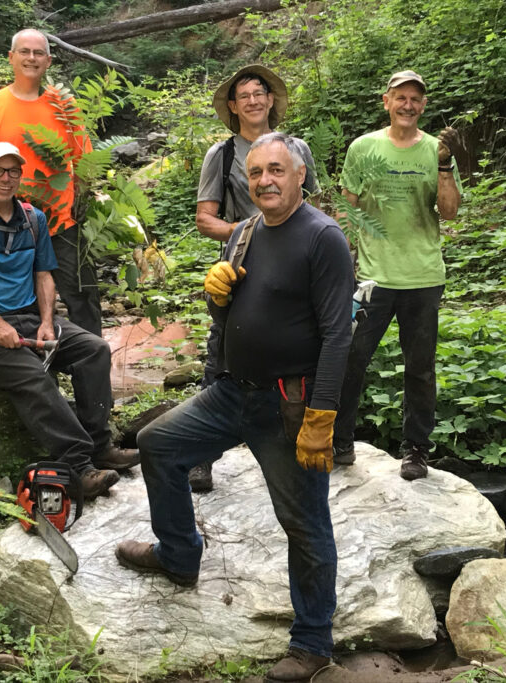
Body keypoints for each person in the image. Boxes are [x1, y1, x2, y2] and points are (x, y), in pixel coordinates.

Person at [115, 133, 353, 681]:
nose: (265, 180)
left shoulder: (323, 238)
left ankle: (314, 644)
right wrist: (214, 293)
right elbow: (225, 316)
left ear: (299, 176)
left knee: (304, 523)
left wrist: (322, 417)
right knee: (157, 445)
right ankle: (179, 555)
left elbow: (339, 336)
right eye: (256, 172)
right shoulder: (244, 233)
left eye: (276, 170)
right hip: (232, 391)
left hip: (289, 404)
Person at [0, 142, 138, 500]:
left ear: (21, 175)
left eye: (13, 171)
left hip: (31, 318)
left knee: (93, 349)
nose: (6, 178)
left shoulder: (33, 218)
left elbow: (44, 275)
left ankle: (100, 444)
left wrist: (47, 321)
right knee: (34, 375)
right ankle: (78, 468)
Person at [190, 64, 320, 493]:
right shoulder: (222, 155)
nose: (252, 100)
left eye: (259, 93)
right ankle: (201, 456)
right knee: (221, 352)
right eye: (243, 95)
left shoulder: (296, 148)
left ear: (270, 100)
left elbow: (314, 208)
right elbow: (205, 218)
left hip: (294, 266)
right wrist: (248, 231)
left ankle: (298, 443)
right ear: (233, 106)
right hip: (239, 269)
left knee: (301, 349)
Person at [333, 70, 462, 481]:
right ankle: (339, 441)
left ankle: (416, 451)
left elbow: (450, 211)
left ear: (423, 106)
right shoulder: (363, 148)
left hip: (423, 276)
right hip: (372, 277)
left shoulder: (436, 150)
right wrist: (339, 261)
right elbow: (345, 208)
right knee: (351, 359)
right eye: (400, 97)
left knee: (420, 368)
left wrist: (444, 165)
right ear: (386, 101)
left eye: (415, 99)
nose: (408, 105)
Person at [0, 28, 103, 336]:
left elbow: (84, 163)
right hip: (3, 224)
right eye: (24, 52)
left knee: (83, 296)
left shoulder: (65, 108)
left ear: (49, 61)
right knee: (16, 300)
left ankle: (90, 370)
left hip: (61, 222)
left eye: (38, 53)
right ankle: (36, 372)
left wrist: (83, 204)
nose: (31, 58)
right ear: (11, 58)